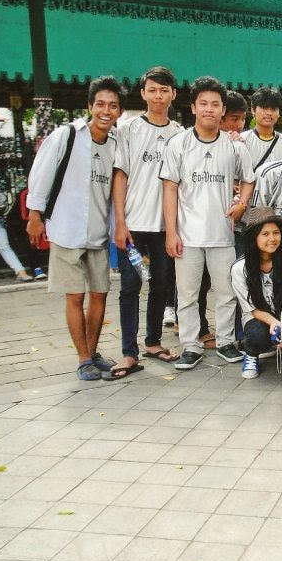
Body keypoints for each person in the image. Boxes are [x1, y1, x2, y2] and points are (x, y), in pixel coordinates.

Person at [25, 76, 123, 380]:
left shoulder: (117, 143)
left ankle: (92, 353)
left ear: (119, 111)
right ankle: (83, 359)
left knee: (100, 294)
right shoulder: (66, 135)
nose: (106, 111)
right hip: (67, 229)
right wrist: (34, 216)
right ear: (90, 106)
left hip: (98, 233)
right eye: (100, 104)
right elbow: (40, 174)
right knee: (75, 296)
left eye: (113, 106)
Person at [161, 75, 256, 370]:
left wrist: (241, 204)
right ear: (193, 107)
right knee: (188, 295)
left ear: (222, 110)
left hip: (222, 233)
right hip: (187, 234)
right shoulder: (178, 144)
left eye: (215, 104)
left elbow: (249, 179)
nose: (209, 109)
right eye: (203, 103)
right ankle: (191, 345)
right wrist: (171, 232)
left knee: (226, 292)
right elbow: (169, 188)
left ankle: (225, 341)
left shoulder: (234, 146)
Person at [106, 67, 184, 378]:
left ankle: (153, 342)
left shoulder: (180, 134)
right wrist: (120, 222)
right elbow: (120, 176)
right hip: (134, 224)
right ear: (143, 93)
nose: (158, 96)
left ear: (173, 94)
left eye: (164, 90)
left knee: (161, 284)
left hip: (165, 227)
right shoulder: (128, 130)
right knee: (130, 285)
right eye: (152, 90)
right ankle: (129, 352)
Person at [229, 207, 282, 379]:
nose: (272, 239)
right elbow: (251, 309)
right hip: (256, 316)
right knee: (257, 334)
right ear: (254, 237)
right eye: (265, 234)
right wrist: (274, 323)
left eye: (276, 233)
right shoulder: (239, 268)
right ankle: (251, 354)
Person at [240, 87, 282, 172]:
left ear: (279, 113)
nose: (269, 113)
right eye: (264, 108)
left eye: (273, 109)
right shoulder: (242, 140)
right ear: (253, 110)